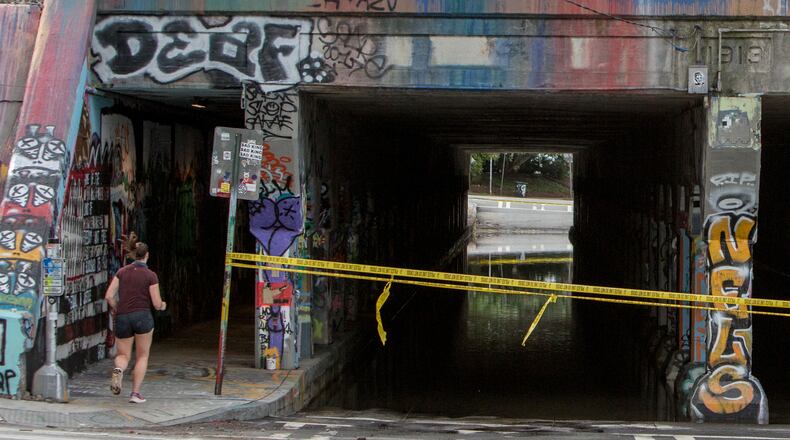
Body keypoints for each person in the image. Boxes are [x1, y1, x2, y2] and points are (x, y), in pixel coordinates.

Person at [104, 242, 166, 403]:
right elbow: (156, 303)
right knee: (142, 356)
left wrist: (118, 308)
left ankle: (119, 369)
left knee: (123, 355)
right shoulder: (150, 275)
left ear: (132, 254)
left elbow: (109, 296)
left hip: (123, 316)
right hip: (142, 317)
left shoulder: (122, 272)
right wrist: (163, 305)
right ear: (147, 255)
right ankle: (135, 394)